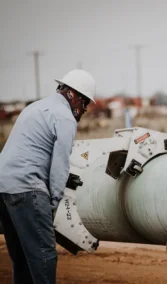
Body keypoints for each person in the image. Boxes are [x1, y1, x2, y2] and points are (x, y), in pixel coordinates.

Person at [0, 69, 96, 284]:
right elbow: (60, 165)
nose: (84, 109)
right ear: (73, 95)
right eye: (85, 103)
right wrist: (53, 203)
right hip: (27, 188)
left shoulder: (34, 108)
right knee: (44, 255)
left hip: (4, 187)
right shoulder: (64, 118)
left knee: (23, 257)